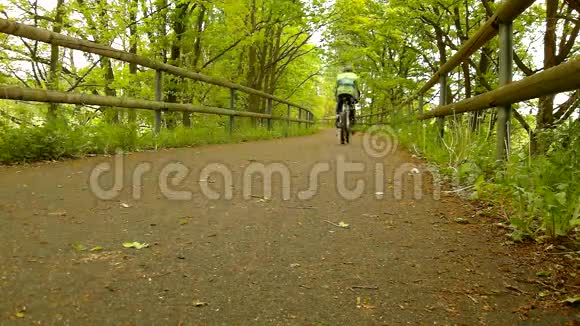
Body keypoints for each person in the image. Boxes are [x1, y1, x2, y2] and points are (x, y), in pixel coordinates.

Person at [335, 64, 360, 129]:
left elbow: (337, 86)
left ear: (344, 70)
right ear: (351, 70)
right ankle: (352, 120)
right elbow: (356, 87)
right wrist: (357, 97)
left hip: (340, 93)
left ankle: (338, 118)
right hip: (350, 93)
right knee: (351, 105)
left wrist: (336, 96)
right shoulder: (354, 75)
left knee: (339, 105)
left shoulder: (339, 76)